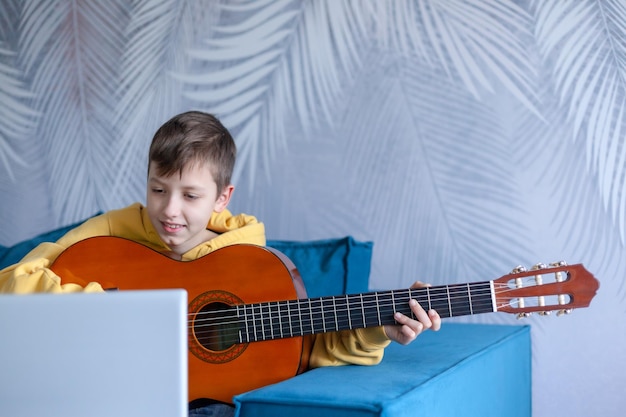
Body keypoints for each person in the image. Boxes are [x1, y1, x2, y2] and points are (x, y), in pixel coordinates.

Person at [0, 111, 441, 416]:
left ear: (221, 198)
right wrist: (121, 316)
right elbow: (15, 282)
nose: (169, 209)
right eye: (158, 190)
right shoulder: (116, 230)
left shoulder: (252, 263)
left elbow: (302, 350)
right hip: (105, 389)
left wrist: (379, 328)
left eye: (190, 196)